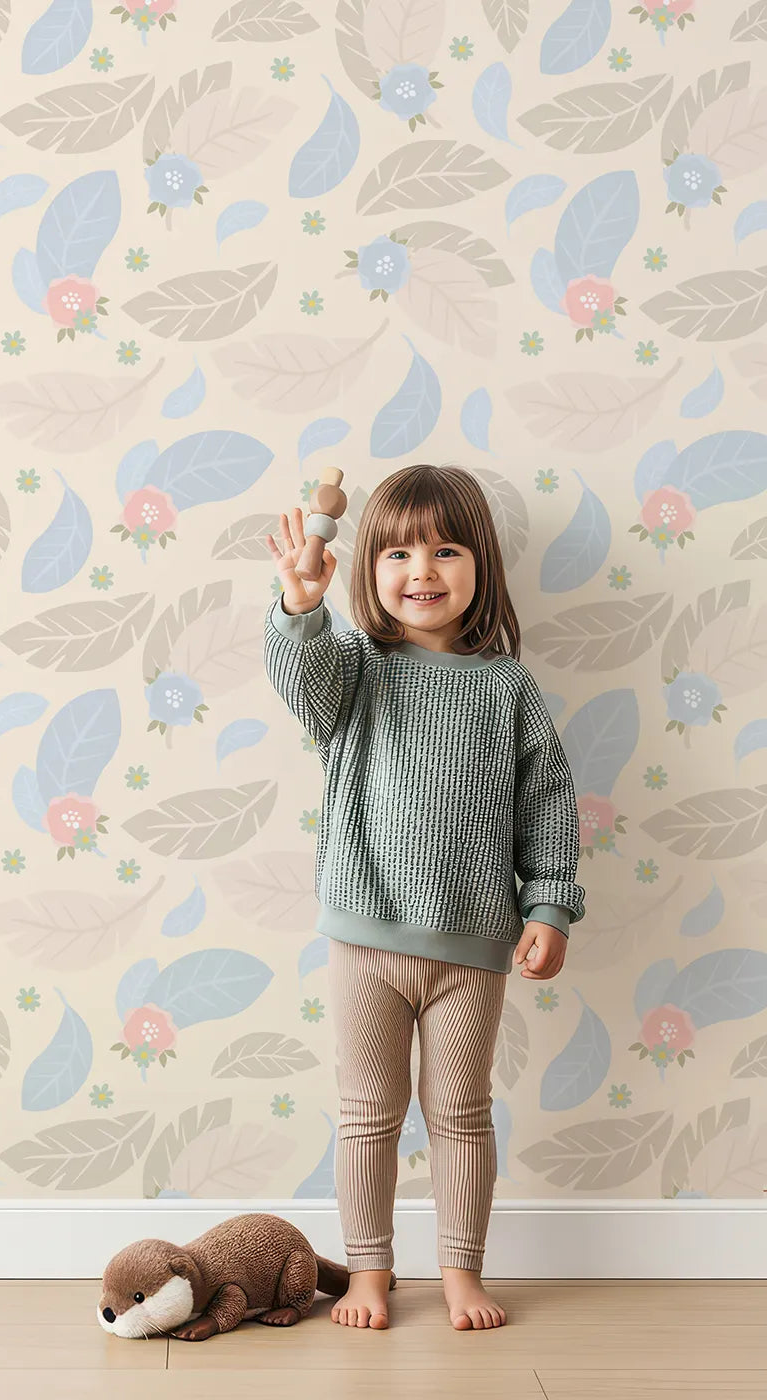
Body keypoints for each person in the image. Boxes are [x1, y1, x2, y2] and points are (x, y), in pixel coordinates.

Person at [262, 463, 585, 1332]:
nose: (422, 570)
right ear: (369, 568)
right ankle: (369, 1275)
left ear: (480, 564)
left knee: (461, 1115)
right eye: (399, 551)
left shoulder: (507, 688)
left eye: (446, 549)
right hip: (366, 940)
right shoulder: (354, 670)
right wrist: (300, 603)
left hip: (472, 947)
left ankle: (460, 1273)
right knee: (368, 1114)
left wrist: (550, 906)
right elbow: (302, 682)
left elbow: (547, 802)